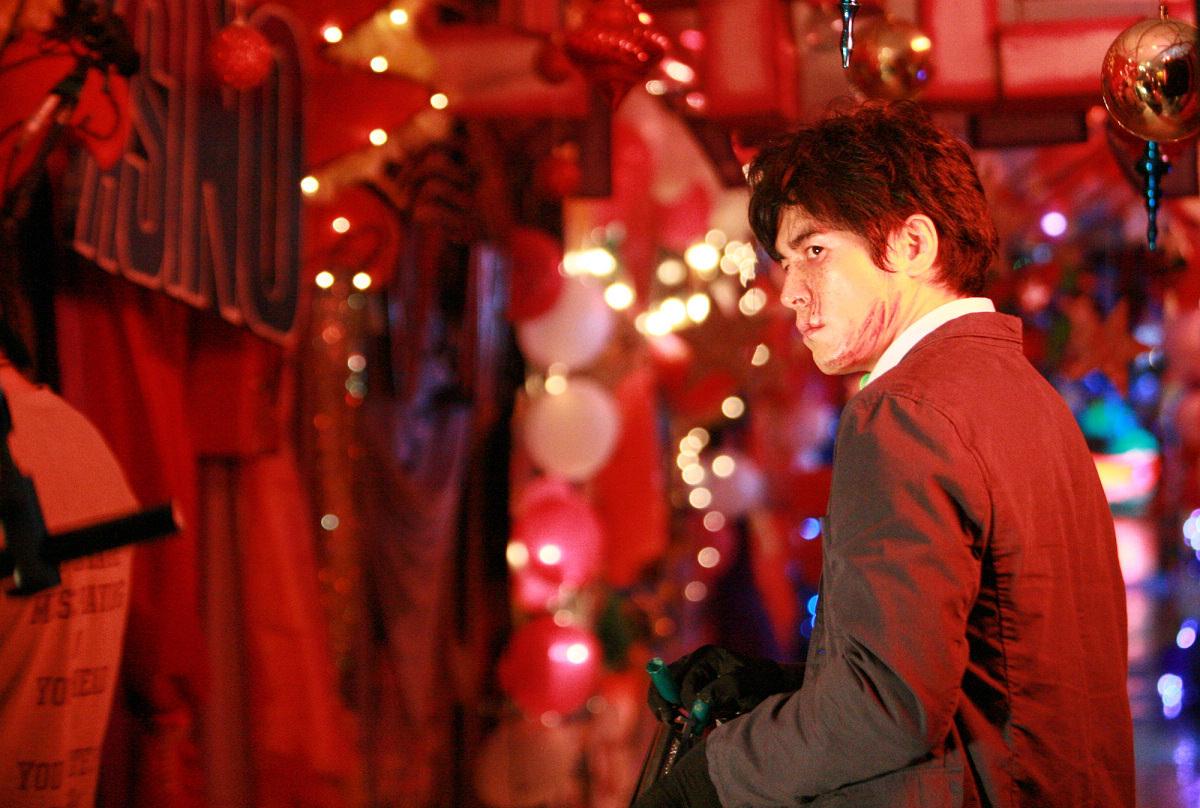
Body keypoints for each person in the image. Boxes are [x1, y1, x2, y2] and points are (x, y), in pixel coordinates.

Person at [635, 101, 1134, 807]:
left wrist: (714, 775)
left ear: (913, 244)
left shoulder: (905, 410)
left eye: (814, 250)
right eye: (784, 262)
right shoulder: (1023, 394)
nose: (790, 291)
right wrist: (777, 691)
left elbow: (887, 709)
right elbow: (972, 677)